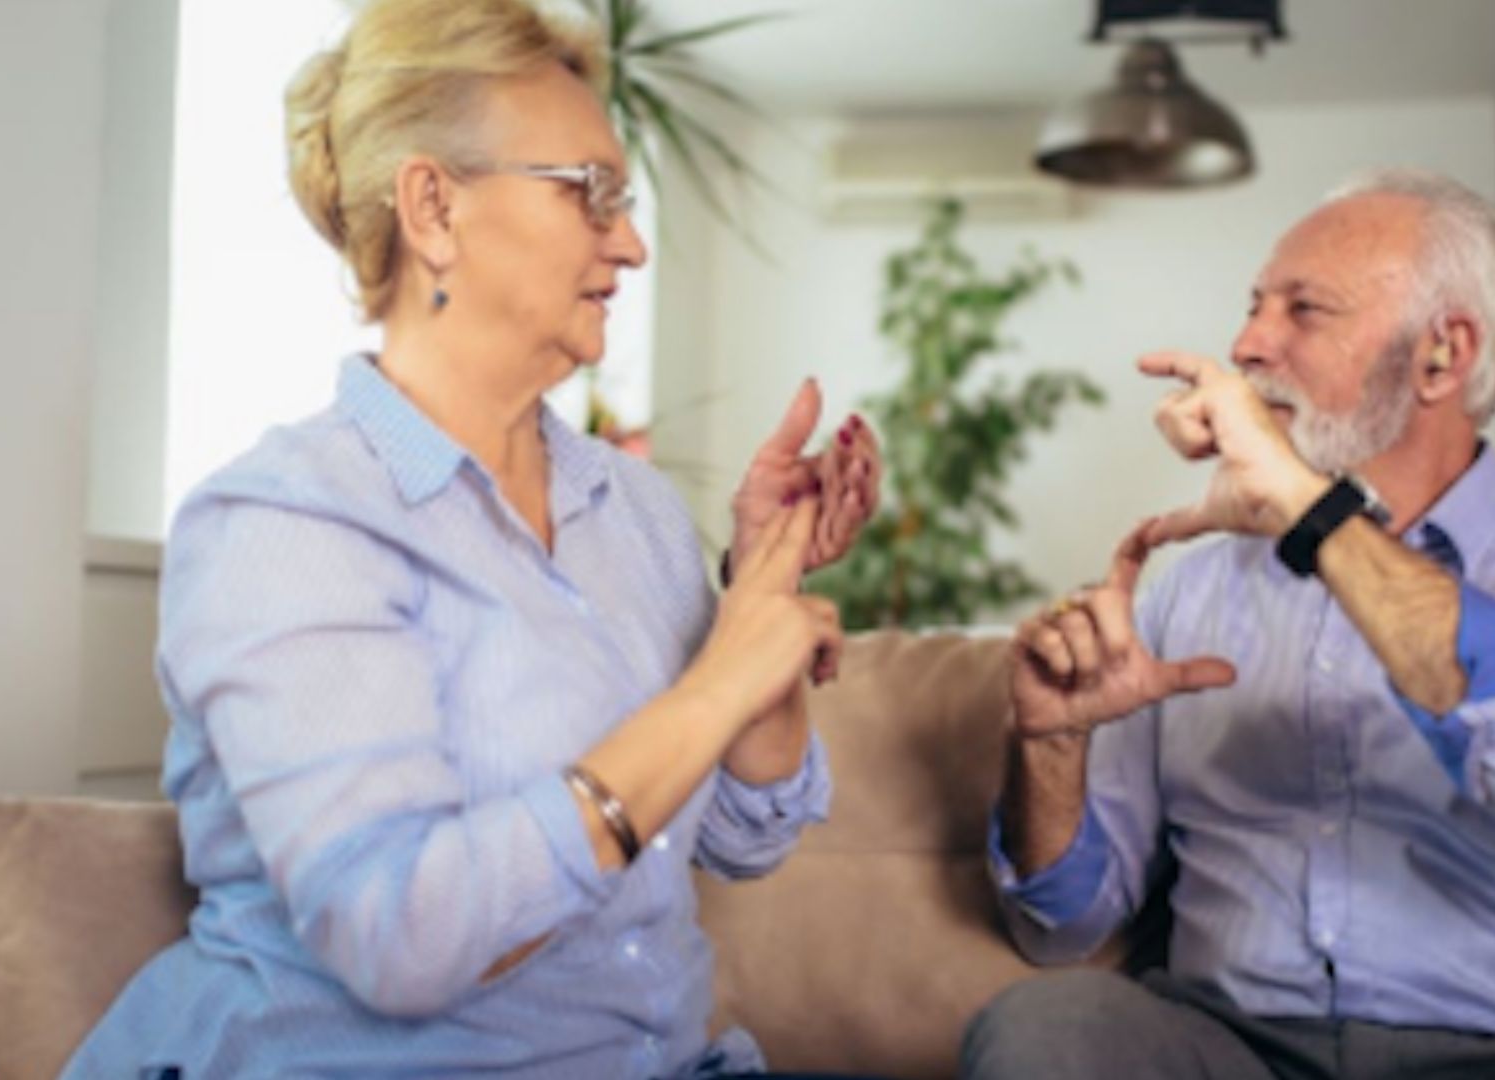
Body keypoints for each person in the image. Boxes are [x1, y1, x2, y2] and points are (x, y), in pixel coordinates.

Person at [63, 1, 881, 1076]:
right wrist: (714, 687)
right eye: (589, 192)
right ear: (435, 208)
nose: (631, 243)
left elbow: (741, 840)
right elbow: (401, 935)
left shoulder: (632, 512)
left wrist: (760, 608)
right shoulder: (283, 524)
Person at [962, 169, 1495, 1078]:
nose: (1247, 345)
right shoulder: (1191, 593)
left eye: (1304, 310)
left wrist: (1313, 514)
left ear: (1441, 357)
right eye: (1255, 307)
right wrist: (1048, 747)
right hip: (1238, 1048)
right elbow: (1061, 928)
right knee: (1049, 1027)